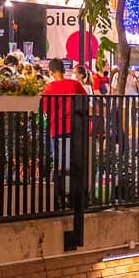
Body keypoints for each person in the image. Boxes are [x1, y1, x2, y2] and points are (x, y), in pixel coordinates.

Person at [40, 59, 86, 208]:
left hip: (57, 129)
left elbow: (45, 109)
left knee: (59, 164)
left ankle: (58, 197)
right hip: (75, 128)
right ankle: (75, 197)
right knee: (74, 163)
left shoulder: (49, 89)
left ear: (50, 72)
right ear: (64, 70)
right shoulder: (74, 84)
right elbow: (85, 101)